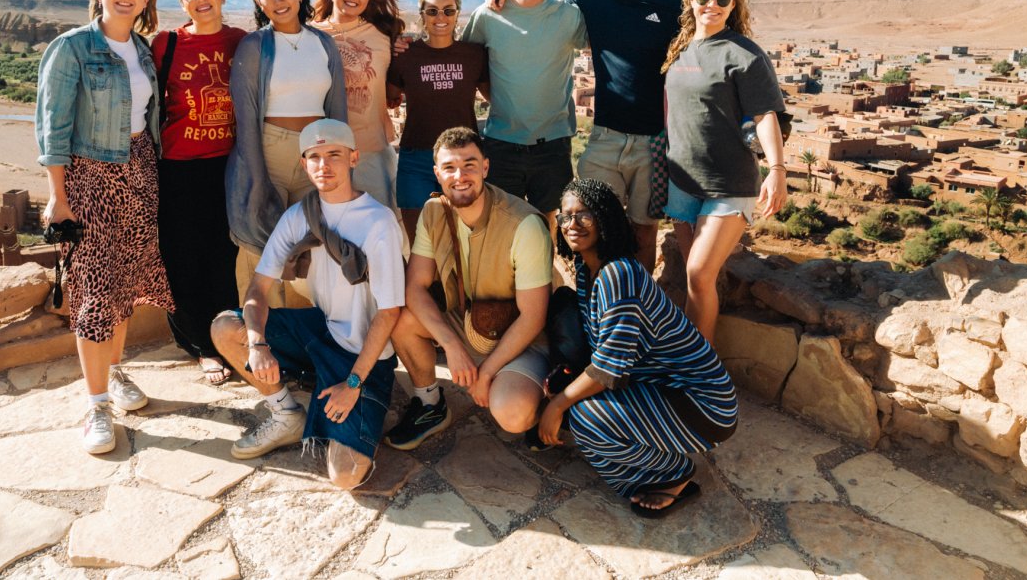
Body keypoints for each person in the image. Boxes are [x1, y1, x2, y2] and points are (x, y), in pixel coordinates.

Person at [210, 119, 404, 489]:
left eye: (334, 154)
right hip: (322, 330)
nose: (323, 165)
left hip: (364, 356)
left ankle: (341, 396)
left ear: (353, 158)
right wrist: (258, 344)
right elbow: (257, 291)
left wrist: (352, 383)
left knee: (345, 476)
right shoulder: (299, 216)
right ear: (304, 164)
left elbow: (389, 312)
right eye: (314, 156)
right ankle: (286, 413)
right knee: (225, 328)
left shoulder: (378, 222)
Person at [486, 0, 681, 270]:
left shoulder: (672, 4)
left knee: (643, 232)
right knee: (590, 227)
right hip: (605, 137)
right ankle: (592, 307)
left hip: (654, 141)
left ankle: (636, 309)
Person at [35, 0, 174, 454]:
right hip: (88, 176)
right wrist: (58, 195)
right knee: (95, 289)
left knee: (125, 281)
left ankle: (114, 375)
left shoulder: (142, 50)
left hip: (139, 169)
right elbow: (51, 126)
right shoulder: (72, 48)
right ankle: (95, 405)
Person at [538, 178, 738, 517]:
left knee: (584, 418)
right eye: (566, 216)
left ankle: (674, 474)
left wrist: (557, 405)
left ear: (605, 218)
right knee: (573, 400)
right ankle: (651, 460)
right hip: (661, 388)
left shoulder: (620, 275)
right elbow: (603, 347)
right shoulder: (589, 271)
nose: (572, 224)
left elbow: (610, 369)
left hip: (703, 404)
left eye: (584, 215)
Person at [386, 127, 551, 449]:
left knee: (512, 414)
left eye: (469, 165)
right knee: (400, 317)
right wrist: (451, 345)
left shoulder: (523, 224)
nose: (459, 175)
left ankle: (543, 401)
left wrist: (487, 373)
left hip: (519, 340)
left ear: (485, 168)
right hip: (467, 327)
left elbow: (533, 317)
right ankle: (430, 404)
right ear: (437, 173)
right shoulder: (434, 212)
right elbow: (415, 286)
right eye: (449, 167)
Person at [662, 0, 787, 342]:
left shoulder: (745, 54)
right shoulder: (681, 48)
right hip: (681, 181)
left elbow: (766, 114)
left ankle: (703, 375)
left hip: (728, 182)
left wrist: (777, 169)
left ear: (734, 6)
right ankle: (688, 360)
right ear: (691, 1)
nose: (711, 5)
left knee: (699, 273)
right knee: (693, 276)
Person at [226, 0, 348, 309]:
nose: (278, 1)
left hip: (318, 153)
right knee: (263, 246)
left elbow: (336, 107)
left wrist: (340, 161)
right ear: (258, 2)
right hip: (270, 151)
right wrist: (256, 174)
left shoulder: (323, 44)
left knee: (311, 246)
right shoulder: (254, 46)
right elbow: (246, 115)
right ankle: (261, 341)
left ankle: (303, 341)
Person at [150, 0, 247, 384]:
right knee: (183, 258)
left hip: (230, 164)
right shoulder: (167, 43)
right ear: (182, 1)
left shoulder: (241, 42)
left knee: (227, 256)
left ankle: (229, 335)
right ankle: (202, 346)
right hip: (180, 167)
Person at [461, 0, 586, 233]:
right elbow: (467, 65)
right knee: (501, 230)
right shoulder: (487, 15)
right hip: (503, 142)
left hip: (552, 143)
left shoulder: (568, 16)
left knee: (547, 230)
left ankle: (542, 280)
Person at [386, 0, 489, 238]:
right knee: (419, 240)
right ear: (422, 16)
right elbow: (389, 96)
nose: (440, 17)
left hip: (463, 159)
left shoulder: (474, 55)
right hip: (416, 157)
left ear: (457, 14)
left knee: (466, 240)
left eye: (448, 10)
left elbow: (495, 97)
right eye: (432, 11)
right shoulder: (406, 55)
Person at [313, 0, 405, 212]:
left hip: (371, 152)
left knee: (381, 231)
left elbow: (393, 84)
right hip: (323, 155)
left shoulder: (385, 35)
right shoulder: (309, 35)